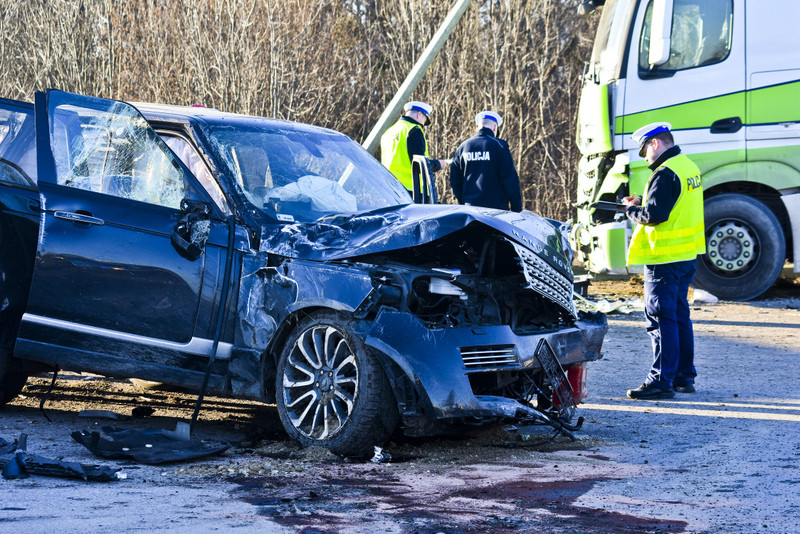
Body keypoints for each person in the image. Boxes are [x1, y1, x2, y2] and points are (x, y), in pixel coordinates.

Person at [624, 122, 705, 400]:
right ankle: (683, 377)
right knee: (680, 316)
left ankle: (661, 381)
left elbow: (656, 214)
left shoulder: (665, 172)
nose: (645, 156)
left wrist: (632, 211)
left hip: (664, 258)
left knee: (661, 320)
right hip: (685, 256)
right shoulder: (687, 166)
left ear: (656, 143)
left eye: (645, 149)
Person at [449, 110, 522, 212]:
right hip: (496, 210)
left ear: (477, 127)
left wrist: (463, 201)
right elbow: (510, 180)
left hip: (470, 210)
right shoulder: (499, 146)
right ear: (495, 127)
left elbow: (455, 180)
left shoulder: (463, 147)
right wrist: (516, 208)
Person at [380, 101, 448, 192]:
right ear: (419, 114)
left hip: (390, 190)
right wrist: (439, 164)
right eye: (424, 121)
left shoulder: (389, 132)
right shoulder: (414, 130)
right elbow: (420, 165)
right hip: (412, 191)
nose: (423, 125)